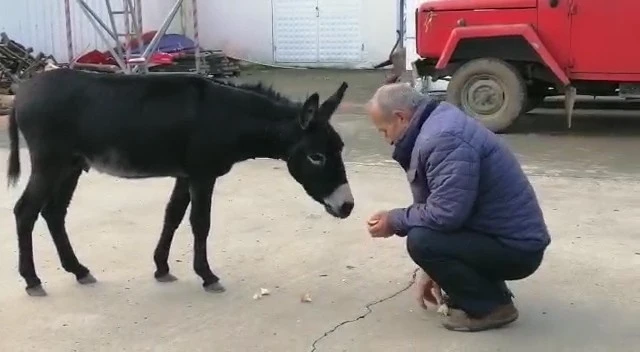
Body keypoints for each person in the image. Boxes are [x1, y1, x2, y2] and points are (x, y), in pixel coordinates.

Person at [364, 83, 551, 332]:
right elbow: (447, 206)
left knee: (421, 240)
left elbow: (445, 215)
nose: (386, 140)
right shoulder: (438, 122)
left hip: (517, 249)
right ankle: (489, 294)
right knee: (426, 236)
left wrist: (394, 220)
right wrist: (435, 269)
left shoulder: (444, 139)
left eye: (383, 130)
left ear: (400, 117)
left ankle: (492, 308)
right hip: (504, 237)